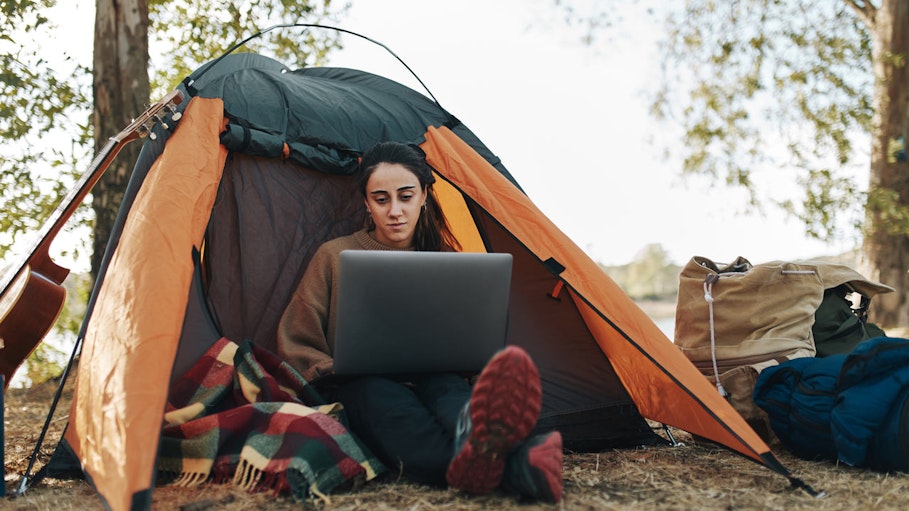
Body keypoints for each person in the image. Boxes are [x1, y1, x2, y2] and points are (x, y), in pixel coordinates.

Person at [277, 141, 563, 503]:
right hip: (363, 382)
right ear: (366, 203)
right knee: (388, 406)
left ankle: (485, 440)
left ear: (424, 196)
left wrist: (471, 361)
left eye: (406, 196)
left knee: (450, 396)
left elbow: (471, 334)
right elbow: (296, 338)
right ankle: (519, 464)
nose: (394, 210)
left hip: (437, 375)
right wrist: (331, 368)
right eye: (381, 199)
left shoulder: (449, 261)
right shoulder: (335, 255)